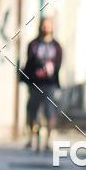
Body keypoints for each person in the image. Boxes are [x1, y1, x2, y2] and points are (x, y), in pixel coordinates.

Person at [21, 18, 62, 151]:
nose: (46, 29)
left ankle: (48, 140)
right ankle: (31, 138)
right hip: (35, 83)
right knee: (32, 110)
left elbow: (58, 64)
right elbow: (29, 62)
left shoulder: (56, 46)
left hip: (50, 83)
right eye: (44, 26)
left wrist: (50, 70)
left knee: (50, 111)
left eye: (48, 26)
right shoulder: (33, 44)